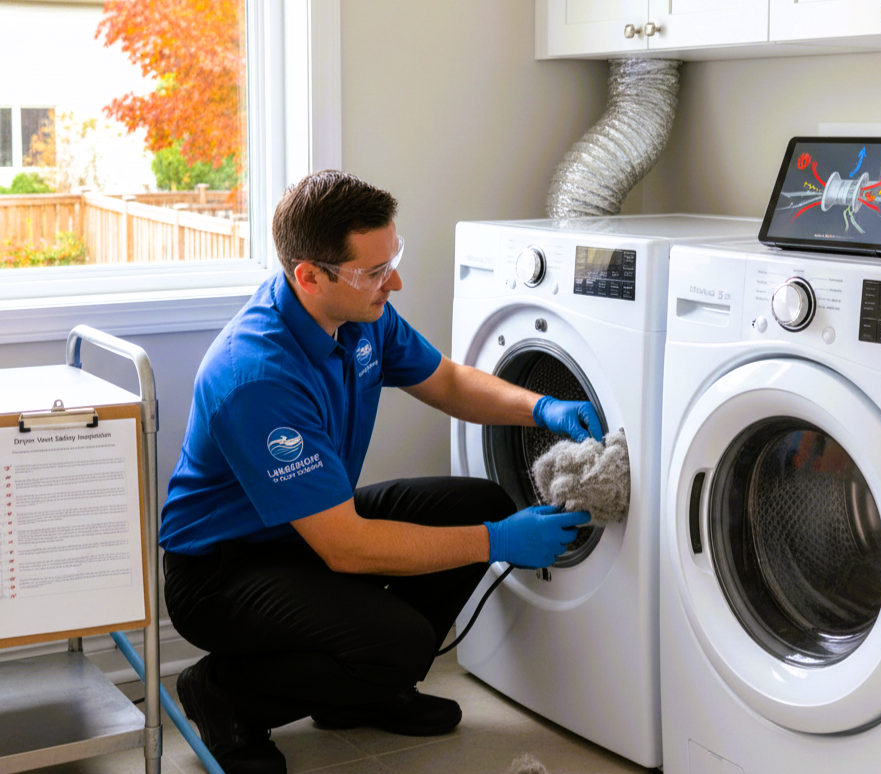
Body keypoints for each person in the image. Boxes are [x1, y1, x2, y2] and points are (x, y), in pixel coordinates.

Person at [159, 170, 600, 774]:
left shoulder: (362, 314)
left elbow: (444, 380)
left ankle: (359, 695)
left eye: (393, 259)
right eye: (374, 271)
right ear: (309, 276)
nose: (394, 281)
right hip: (223, 569)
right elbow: (344, 548)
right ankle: (223, 695)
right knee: (402, 644)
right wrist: (499, 544)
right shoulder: (256, 376)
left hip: (306, 528)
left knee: (478, 503)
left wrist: (541, 407)